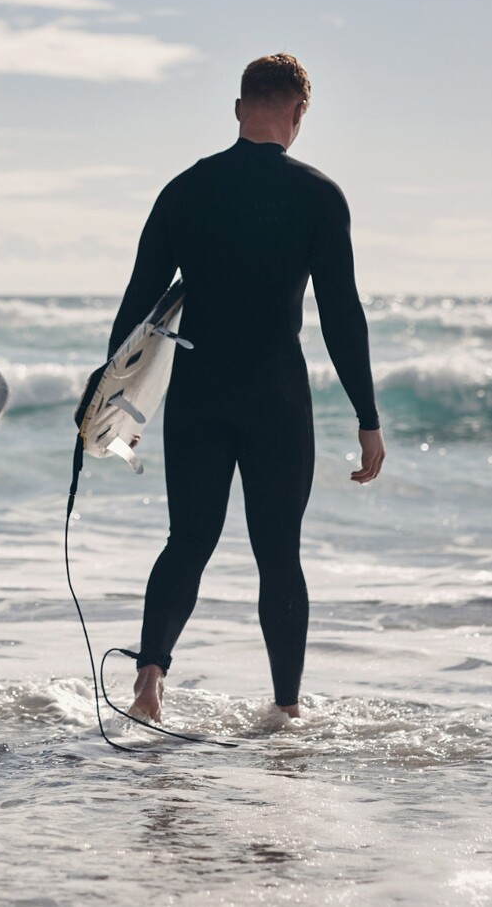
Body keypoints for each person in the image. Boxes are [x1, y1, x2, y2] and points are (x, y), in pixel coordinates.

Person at [103, 54, 384, 723]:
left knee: (188, 540)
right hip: (276, 396)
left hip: (200, 391)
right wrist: (367, 416)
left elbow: (137, 307)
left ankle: (148, 683)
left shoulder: (186, 190)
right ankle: (286, 712)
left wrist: (118, 404)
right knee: (278, 554)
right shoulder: (318, 195)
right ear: (298, 115)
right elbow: (343, 315)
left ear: (238, 109)